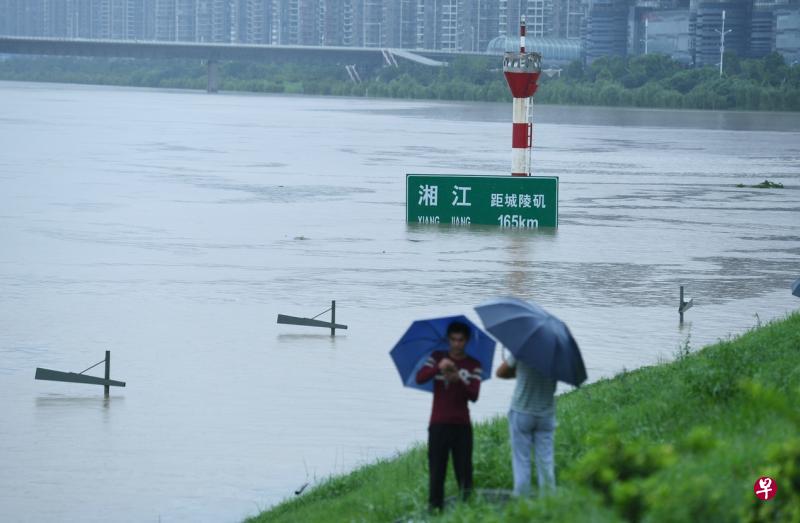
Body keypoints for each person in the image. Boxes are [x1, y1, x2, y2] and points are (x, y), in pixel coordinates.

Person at [415, 321, 483, 512]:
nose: (456, 344)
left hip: (462, 426)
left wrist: (458, 380)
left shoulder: (474, 365)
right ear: (448, 340)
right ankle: (435, 511)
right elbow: (420, 378)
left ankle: (467, 512)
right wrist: (438, 367)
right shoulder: (437, 357)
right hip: (438, 425)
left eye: (460, 340)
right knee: (437, 473)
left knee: (464, 472)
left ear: (466, 341)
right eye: (453, 340)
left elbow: (474, 396)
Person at [496, 349, 557, 496]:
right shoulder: (558, 354)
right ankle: (549, 503)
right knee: (546, 461)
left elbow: (500, 372)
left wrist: (518, 372)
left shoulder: (523, 349)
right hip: (546, 414)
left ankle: (522, 502)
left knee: (521, 461)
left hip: (522, 411)